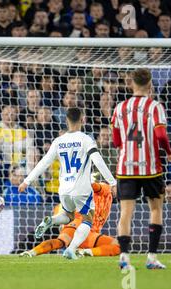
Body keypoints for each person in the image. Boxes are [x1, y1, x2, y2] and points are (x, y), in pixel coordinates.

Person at [18, 107, 117, 260]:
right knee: (87, 219)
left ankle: (52, 220)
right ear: (82, 120)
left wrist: (26, 181)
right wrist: (112, 181)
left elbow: (44, 163)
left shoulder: (59, 141)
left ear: (66, 121)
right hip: (81, 188)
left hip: (63, 189)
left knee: (68, 215)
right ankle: (71, 249)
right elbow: (98, 159)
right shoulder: (86, 139)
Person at [111, 68, 171, 270]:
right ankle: (151, 258)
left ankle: (124, 258)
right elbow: (161, 135)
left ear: (132, 83)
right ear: (150, 85)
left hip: (126, 168)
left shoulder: (120, 107)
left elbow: (115, 141)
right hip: (151, 168)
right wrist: (169, 152)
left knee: (125, 213)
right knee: (155, 209)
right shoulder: (155, 107)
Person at [20, 182, 120, 257]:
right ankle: (85, 252)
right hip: (87, 228)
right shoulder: (107, 188)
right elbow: (94, 186)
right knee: (118, 246)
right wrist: (84, 186)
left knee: (60, 242)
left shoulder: (109, 198)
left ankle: (31, 252)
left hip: (74, 224)